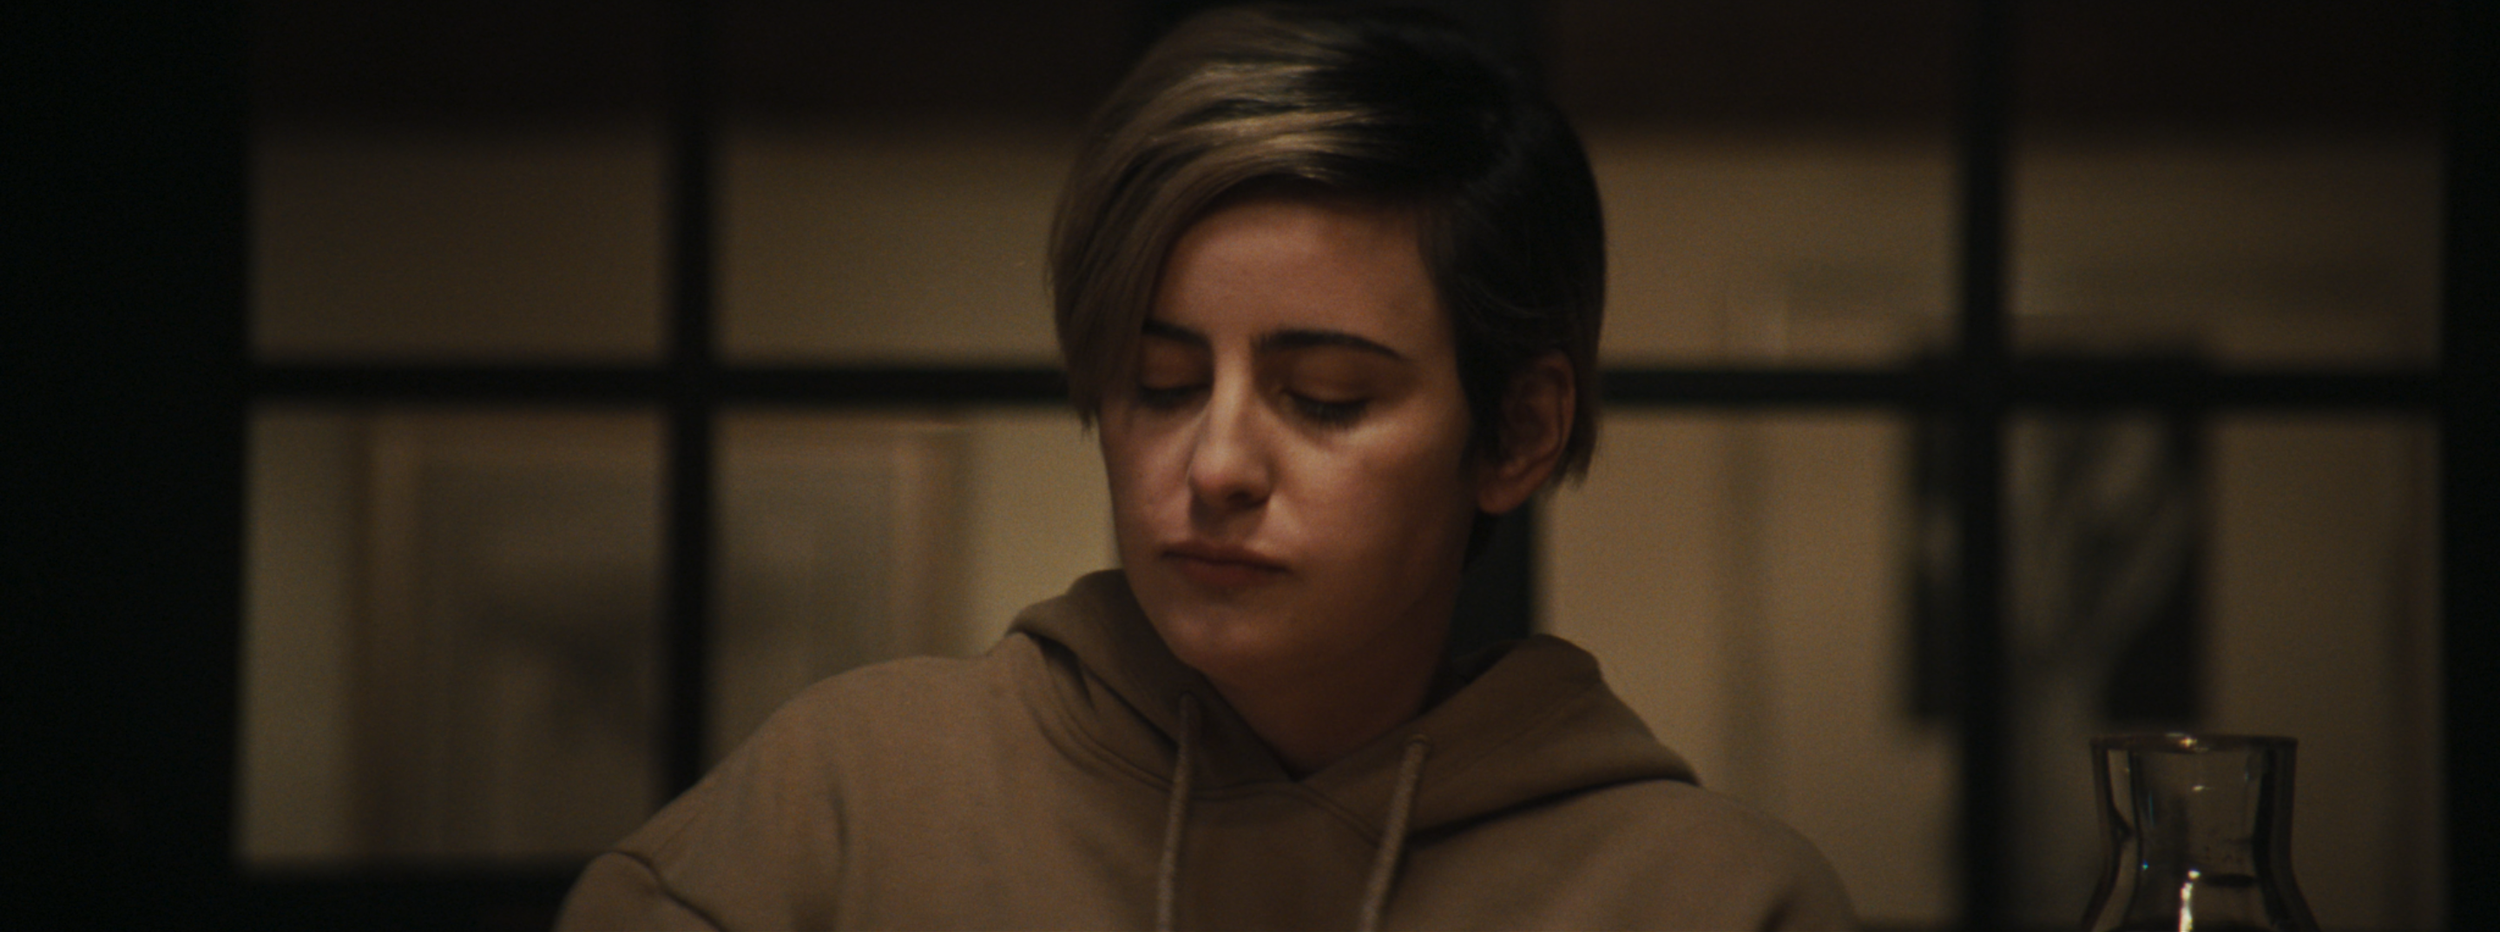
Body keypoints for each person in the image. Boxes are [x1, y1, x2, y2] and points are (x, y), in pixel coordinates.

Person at [556, 4, 1855, 929]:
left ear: (1517, 434)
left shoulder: (1713, 897)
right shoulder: (848, 800)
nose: (1217, 462)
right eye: (1163, 384)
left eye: (1326, 398)